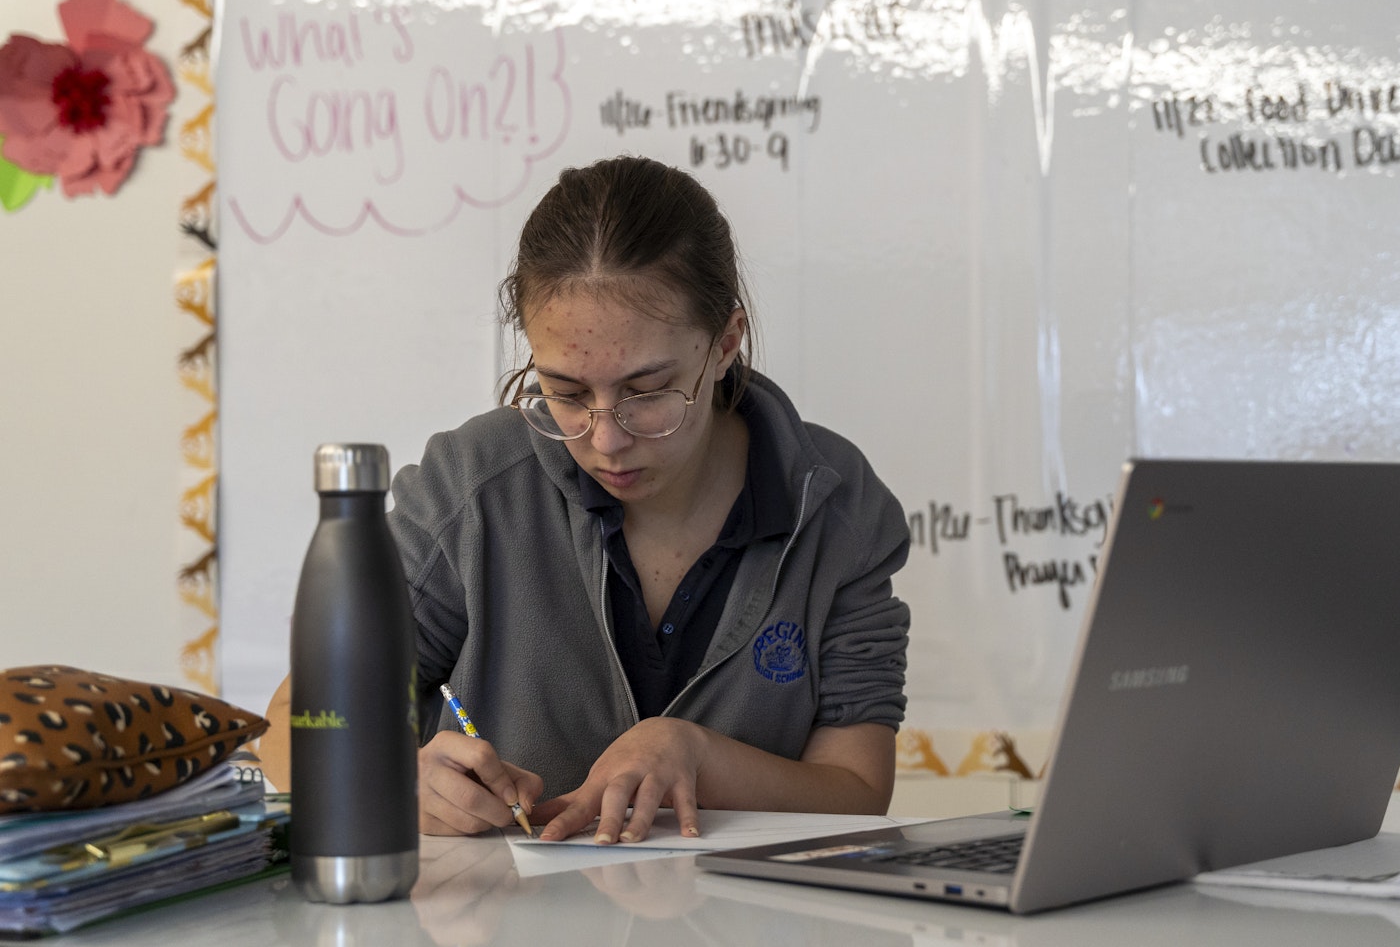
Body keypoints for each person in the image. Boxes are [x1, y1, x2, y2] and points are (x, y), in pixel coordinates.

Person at [259, 155, 911, 845]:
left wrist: (696, 753)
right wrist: (390, 777)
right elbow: (287, 725)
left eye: (648, 390)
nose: (604, 439)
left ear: (725, 342)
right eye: (565, 393)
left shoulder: (835, 506)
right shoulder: (472, 489)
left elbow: (859, 790)